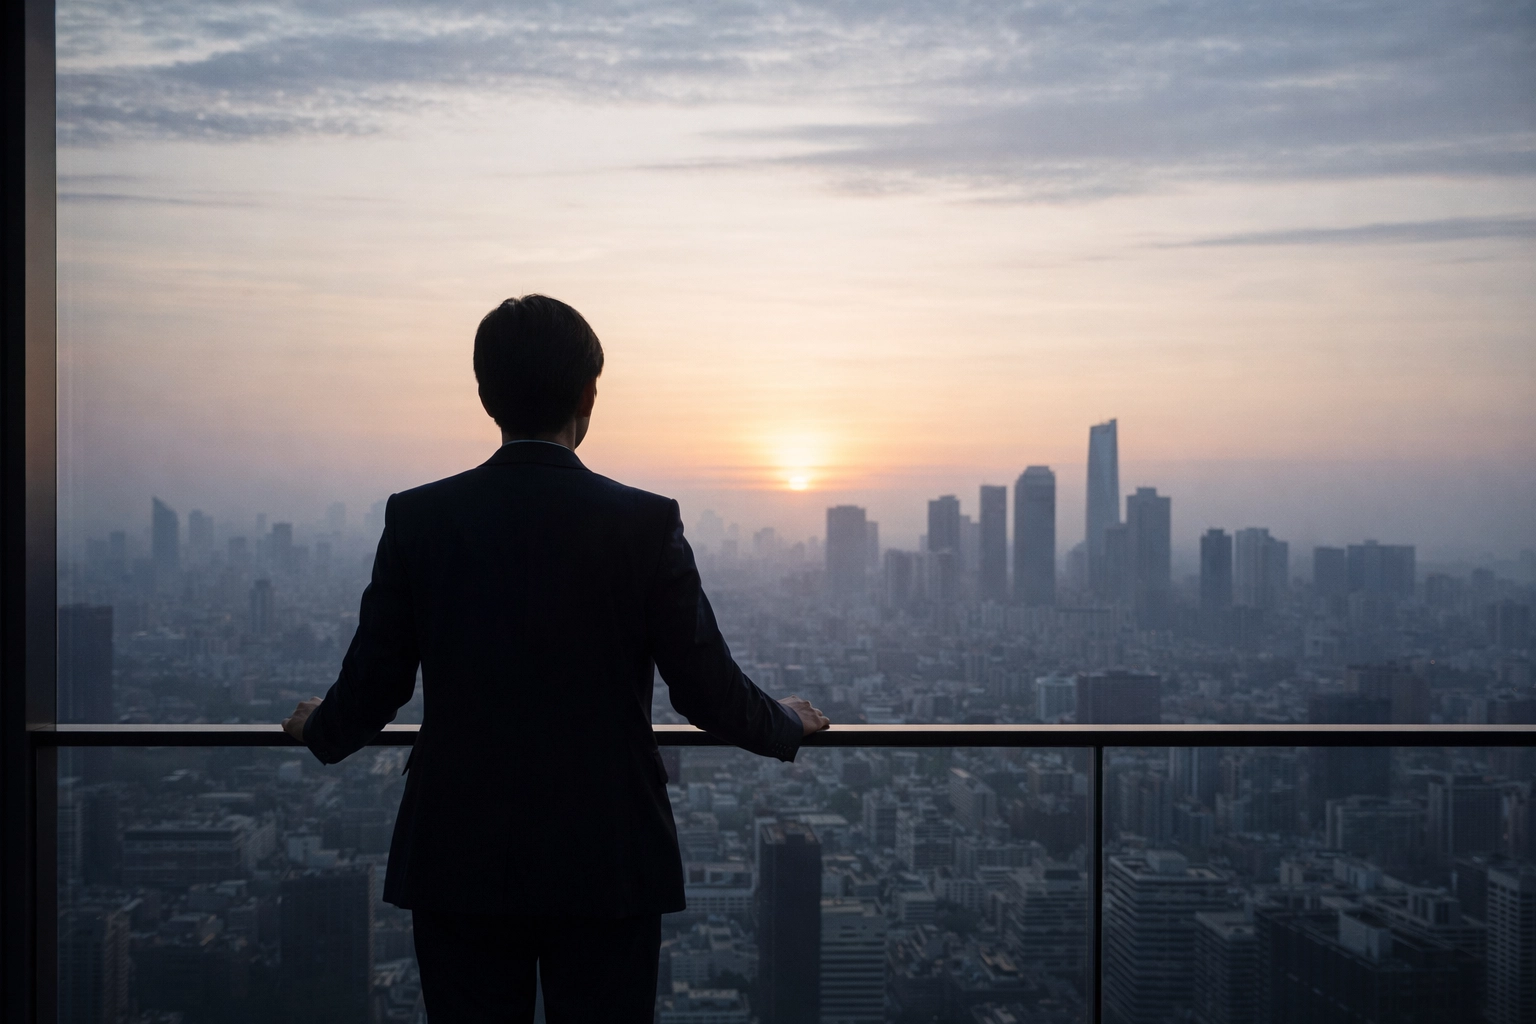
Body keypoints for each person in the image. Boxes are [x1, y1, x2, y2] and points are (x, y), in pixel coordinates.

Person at [281, 295, 828, 1022]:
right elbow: (704, 688)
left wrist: (319, 728)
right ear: (588, 396)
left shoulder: (420, 518)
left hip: (460, 851)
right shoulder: (644, 522)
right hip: (607, 853)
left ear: (485, 396)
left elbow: (376, 686)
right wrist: (785, 722)